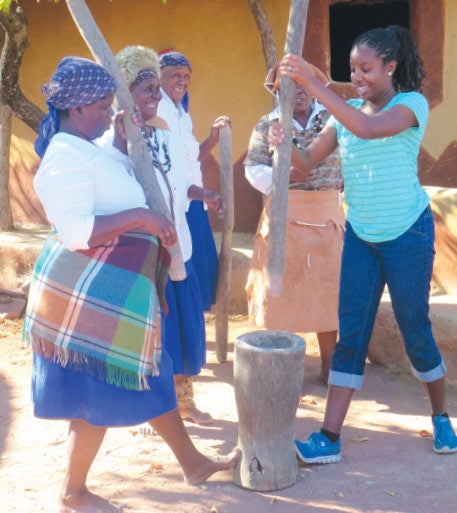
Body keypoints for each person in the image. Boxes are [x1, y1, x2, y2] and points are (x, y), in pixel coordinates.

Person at [23, 56, 239, 513]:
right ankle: (72, 492)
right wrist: (144, 215)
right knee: (95, 396)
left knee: (149, 375)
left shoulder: (87, 146)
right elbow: (78, 230)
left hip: (118, 290)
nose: (108, 113)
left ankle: (192, 462)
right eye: (102, 106)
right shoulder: (62, 156)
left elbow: (110, 181)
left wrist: (120, 145)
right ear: (77, 108)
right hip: (88, 295)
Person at [269, 25, 457, 463]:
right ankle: (329, 438)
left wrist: (316, 84)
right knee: (351, 332)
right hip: (362, 235)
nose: (358, 77)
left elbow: (370, 130)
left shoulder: (410, 106)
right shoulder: (345, 112)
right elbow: (307, 161)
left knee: (415, 330)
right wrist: (285, 142)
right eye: (353, 69)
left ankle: (441, 416)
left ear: (391, 66)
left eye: (367, 69)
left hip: (408, 234)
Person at [102, 45, 223, 426]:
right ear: (124, 92)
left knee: (183, 330)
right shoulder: (113, 142)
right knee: (155, 335)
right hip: (143, 260)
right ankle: (157, 411)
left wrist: (203, 194)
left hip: (177, 249)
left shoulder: (165, 132)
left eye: (158, 88)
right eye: (146, 89)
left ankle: (183, 400)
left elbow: (181, 182)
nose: (156, 96)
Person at [244, 65, 344, 383]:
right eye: (288, 87)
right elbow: (253, 168)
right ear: (276, 92)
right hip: (284, 215)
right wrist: (283, 176)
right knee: (280, 294)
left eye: (303, 85)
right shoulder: (267, 125)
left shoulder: (332, 119)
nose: (298, 92)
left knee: (329, 293)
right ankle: (283, 366)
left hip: (326, 216)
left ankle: (330, 363)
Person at [157, 49, 229, 313]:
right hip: (174, 205)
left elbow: (189, 158)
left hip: (194, 202)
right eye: (176, 74)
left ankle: (193, 329)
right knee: (178, 269)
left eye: (187, 76)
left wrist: (212, 138)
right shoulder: (156, 111)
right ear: (159, 76)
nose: (183, 81)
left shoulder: (181, 113)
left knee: (198, 265)